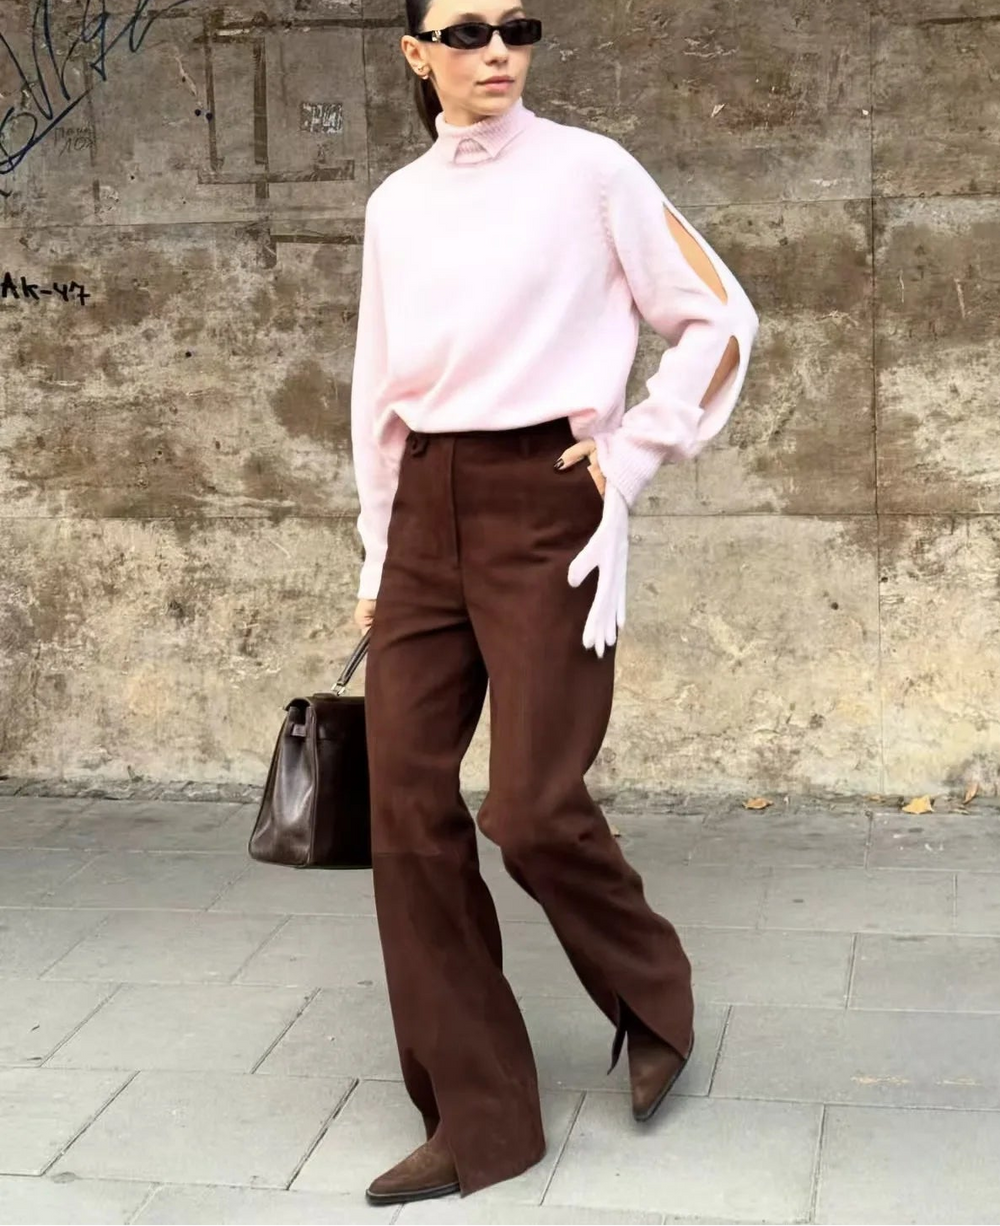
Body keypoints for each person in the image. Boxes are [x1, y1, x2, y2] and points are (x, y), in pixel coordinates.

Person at [349, 0, 759, 1207]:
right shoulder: (394, 205)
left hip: (546, 499)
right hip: (424, 510)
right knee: (403, 809)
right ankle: (480, 1119)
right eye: (465, 30)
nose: (496, 51)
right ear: (416, 53)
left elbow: (720, 315)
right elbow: (376, 389)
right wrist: (376, 558)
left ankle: (652, 989)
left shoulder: (591, 171)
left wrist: (632, 454)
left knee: (528, 806)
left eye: (517, 26)